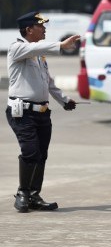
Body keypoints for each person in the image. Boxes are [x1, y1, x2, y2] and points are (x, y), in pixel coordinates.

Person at [5, 11, 80, 213]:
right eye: (41, 26)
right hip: (22, 113)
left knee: (41, 155)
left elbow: (48, 82)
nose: (44, 29)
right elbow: (33, 48)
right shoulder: (17, 48)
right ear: (29, 30)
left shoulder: (39, 56)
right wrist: (61, 46)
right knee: (30, 151)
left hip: (42, 113)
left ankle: (34, 195)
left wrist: (65, 101)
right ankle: (23, 193)